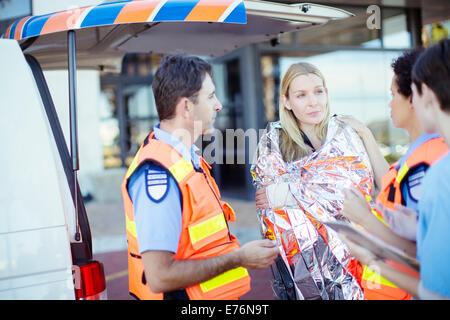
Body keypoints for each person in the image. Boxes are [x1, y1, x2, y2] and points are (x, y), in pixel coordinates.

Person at [121, 54, 279, 300]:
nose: (219, 105)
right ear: (186, 107)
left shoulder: (186, 160)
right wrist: (240, 258)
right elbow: (160, 276)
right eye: (210, 96)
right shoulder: (158, 174)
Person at [340, 39, 450, 299]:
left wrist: (371, 256)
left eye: (393, 95)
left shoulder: (438, 170)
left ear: (420, 94)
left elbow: (437, 291)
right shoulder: (423, 161)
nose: (389, 104)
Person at [252, 62, 367, 300]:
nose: (313, 102)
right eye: (301, 95)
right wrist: (321, 188)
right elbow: (270, 206)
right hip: (300, 265)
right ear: (286, 101)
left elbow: (357, 187)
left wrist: (289, 191)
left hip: (353, 257)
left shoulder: (344, 133)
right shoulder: (275, 140)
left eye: (318, 91)